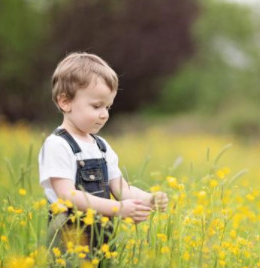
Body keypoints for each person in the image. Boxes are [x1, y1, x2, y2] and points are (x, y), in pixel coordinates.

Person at [38, 52, 168, 261]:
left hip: (102, 236)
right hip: (70, 236)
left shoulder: (101, 147)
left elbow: (120, 189)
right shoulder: (58, 145)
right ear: (65, 102)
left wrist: (146, 199)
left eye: (108, 107)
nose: (104, 114)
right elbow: (67, 196)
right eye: (96, 106)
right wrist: (118, 209)